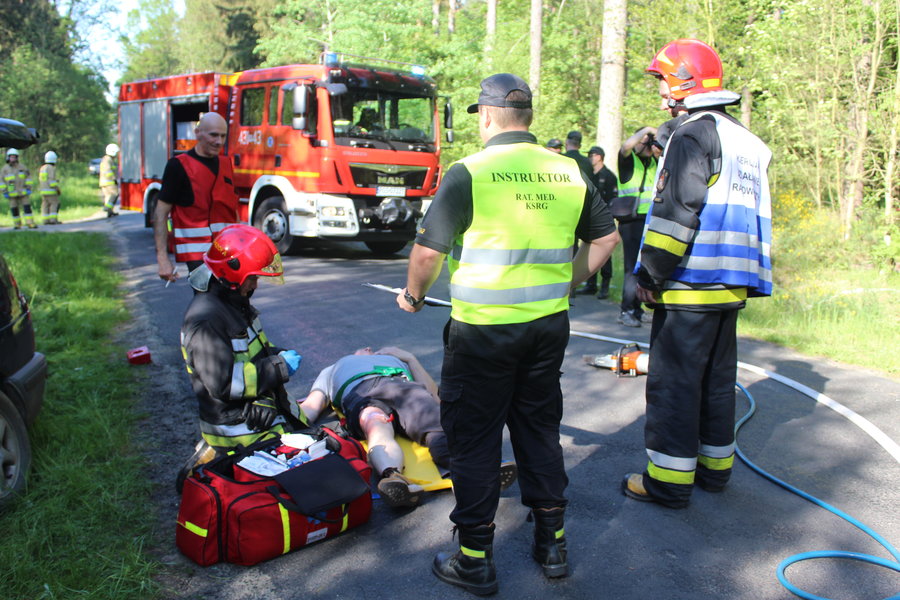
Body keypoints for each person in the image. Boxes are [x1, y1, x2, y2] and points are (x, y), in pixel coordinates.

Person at [397, 73, 619, 593]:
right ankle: (553, 543)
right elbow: (606, 239)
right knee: (538, 430)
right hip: (546, 328)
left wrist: (411, 295)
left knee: (473, 441)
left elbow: (428, 253)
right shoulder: (568, 170)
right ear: (529, 117)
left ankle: (474, 559)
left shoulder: (470, 172)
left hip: (483, 335)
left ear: (488, 115)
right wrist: (563, 279)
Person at [622, 39, 773, 509]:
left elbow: (677, 212)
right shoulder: (746, 141)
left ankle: (668, 482)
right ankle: (714, 471)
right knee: (715, 381)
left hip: (691, 283)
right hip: (731, 284)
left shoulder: (693, 135)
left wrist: (649, 273)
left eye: (663, 81)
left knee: (675, 385)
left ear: (683, 82)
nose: (661, 92)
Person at [298, 346, 519, 509]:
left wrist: (410, 359)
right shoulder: (332, 369)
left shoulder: (394, 360)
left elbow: (433, 394)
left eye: (371, 348)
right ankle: (395, 477)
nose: (367, 348)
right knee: (376, 424)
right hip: (361, 393)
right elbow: (311, 407)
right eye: (363, 348)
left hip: (399, 387)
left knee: (428, 420)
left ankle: (463, 474)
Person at [179, 224, 307, 480]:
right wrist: (278, 367)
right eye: (253, 277)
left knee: (311, 446)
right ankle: (216, 460)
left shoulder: (233, 303)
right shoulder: (206, 321)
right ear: (232, 273)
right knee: (301, 471)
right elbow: (224, 382)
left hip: (256, 410)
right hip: (234, 424)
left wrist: (277, 355)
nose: (256, 283)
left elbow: (252, 352)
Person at [155, 112, 240, 284]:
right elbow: (160, 213)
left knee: (236, 302)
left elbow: (232, 210)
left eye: (223, 136)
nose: (219, 141)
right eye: (214, 135)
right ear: (198, 133)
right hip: (197, 255)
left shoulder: (226, 164)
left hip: (228, 251)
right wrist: (162, 258)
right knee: (208, 300)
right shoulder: (178, 166)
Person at [615, 126, 660, 327]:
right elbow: (625, 146)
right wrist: (646, 131)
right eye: (645, 142)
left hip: (648, 221)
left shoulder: (653, 163)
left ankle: (638, 309)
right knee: (631, 268)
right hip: (631, 221)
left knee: (643, 267)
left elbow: (665, 152)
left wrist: (657, 139)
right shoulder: (628, 161)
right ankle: (626, 310)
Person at [578, 146, 618, 298]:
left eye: (591, 155)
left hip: (603, 219)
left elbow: (613, 200)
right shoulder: (589, 175)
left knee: (605, 254)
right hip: (589, 218)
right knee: (589, 251)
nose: (589, 158)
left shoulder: (608, 176)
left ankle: (605, 287)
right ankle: (591, 284)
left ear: (599, 156)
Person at [2, 148, 37, 229]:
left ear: (17, 158)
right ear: (8, 157)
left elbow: (28, 177)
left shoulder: (22, 167)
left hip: (23, 191)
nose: (13, 159)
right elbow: (2, 181)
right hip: (11, 192)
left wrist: (28, 188)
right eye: (11, 157)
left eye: (14, 157)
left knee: (27, 207)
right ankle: (17, 224)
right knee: (14, 208)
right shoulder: (5, 169)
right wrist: (4, 191)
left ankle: (30, 223)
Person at [38, 151, 61, 225]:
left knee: (45, 205)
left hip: (43, 191)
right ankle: (53, 220)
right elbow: (51, 181)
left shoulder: (42, 168)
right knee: (54, 204)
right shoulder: (51, 168)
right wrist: (57, 189)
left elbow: (44, 179)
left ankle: (45, 220)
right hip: (51, 191)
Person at [99, 143, 119, 218]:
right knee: (115, 194)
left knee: (108, 197)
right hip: (109, 182)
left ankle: (110, 212)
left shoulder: (106, 159)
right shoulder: (108, 160)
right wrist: (114, 179)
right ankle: (107, 208)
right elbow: (108, 171)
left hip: (104, 182)